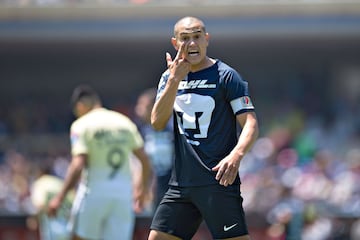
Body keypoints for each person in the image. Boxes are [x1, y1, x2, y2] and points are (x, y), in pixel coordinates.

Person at [148, 16, 259, 240]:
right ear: (174, 43)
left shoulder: (227, 76)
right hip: (181, 185)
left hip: (217, 181)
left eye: (197, 36)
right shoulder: (169, 78)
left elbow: (251, 124)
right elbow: (157, 122)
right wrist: (174, 80)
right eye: (185, 38)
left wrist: (236, 155)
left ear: (206, 39)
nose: (192, 43)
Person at [47, 85, 153, 240]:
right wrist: (142, 190)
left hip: (93, 193)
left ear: (80, 106)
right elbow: (144, 160)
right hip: (122, 196)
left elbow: (78, 164)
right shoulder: (124, 122)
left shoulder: (81, 125)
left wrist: (60, 197)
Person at [134, 88, 174, 211]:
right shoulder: (142, 130)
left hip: (173, 182)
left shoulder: (173, 128)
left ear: (154, 106)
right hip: (154, 184)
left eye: (143, 106)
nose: (138, 110)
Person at [31, 161, 75, 240]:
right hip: (69, 226)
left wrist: (34, 219)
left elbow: (40, 205)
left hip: (53, 226)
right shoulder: (59, 182)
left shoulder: (40, 183)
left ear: (39, 173)